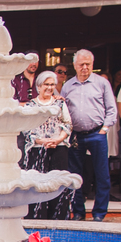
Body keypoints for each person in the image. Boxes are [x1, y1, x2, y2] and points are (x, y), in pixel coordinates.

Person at [63, 49, 116, 221]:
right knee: (75, 175)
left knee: (102, 175)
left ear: (92, 65)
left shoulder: (102, 83)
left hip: (96, 133)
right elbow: (62, 111)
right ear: (75, 66)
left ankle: (99, 213)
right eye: (81, 65)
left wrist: (104, 130)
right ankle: (78, 211)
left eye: (88, 64)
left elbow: (111, 109)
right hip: (76, 136)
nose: (85, 68)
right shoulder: (68, 86)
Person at [21, 71, 73, 220]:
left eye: (52, 85)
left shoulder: (60, 103)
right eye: (46, 84)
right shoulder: (30, 105)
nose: (49, 88)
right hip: (37, 149)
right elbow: (26, 129)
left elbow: (68, 124)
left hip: (59, 148)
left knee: (58, 182)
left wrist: (57, 140)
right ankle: (37, 217)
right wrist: (40, 141)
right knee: (37, 184)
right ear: (39, 86)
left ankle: (59, 217)